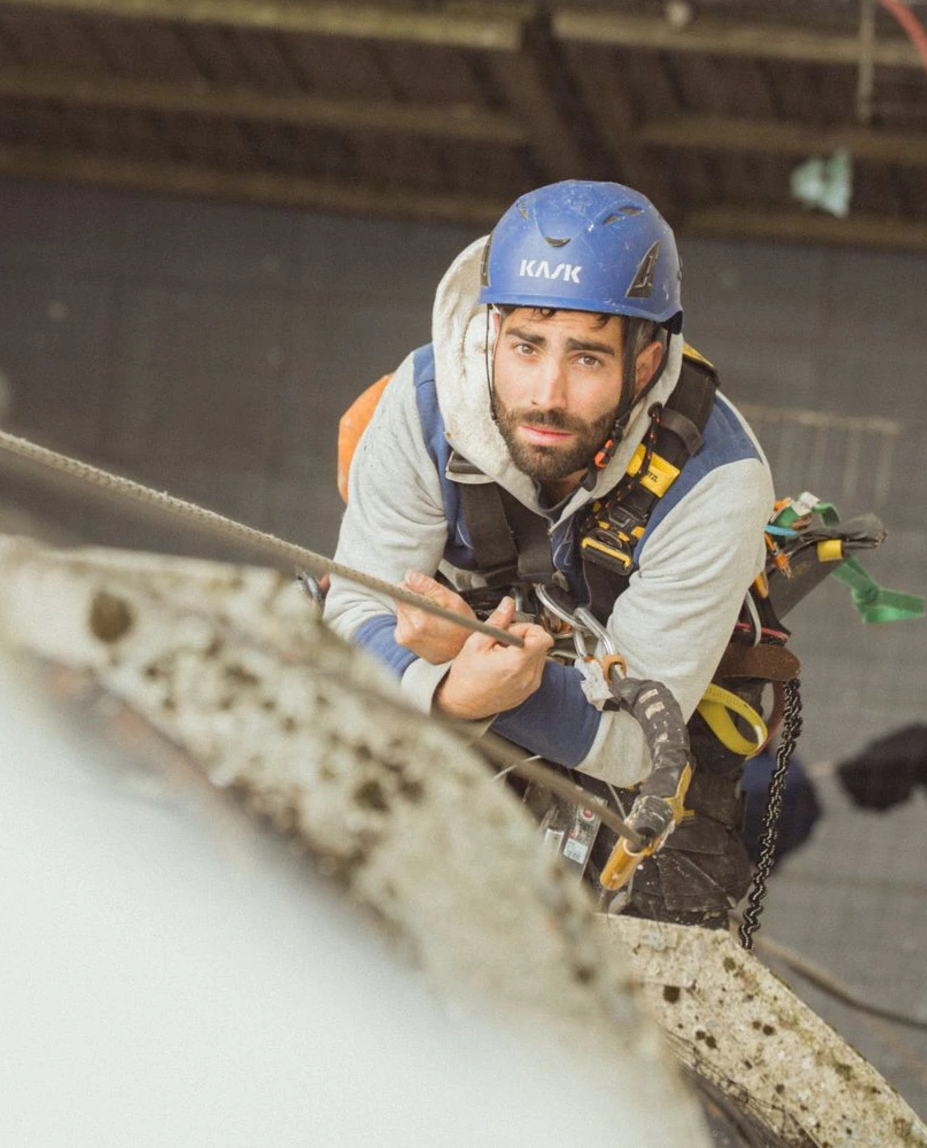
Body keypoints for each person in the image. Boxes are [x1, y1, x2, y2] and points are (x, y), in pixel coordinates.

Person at [324, 180, 777, 924]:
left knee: (659, 944)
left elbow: (634, 746)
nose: (547, 393)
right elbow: (353, 606)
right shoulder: (421, 402)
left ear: (645, 360)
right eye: (526, 348)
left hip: (638, 701)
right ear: (491, 327)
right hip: (441, 657)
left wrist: (493, 684)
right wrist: (448, 690)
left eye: (588, 360)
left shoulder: (717, 483)